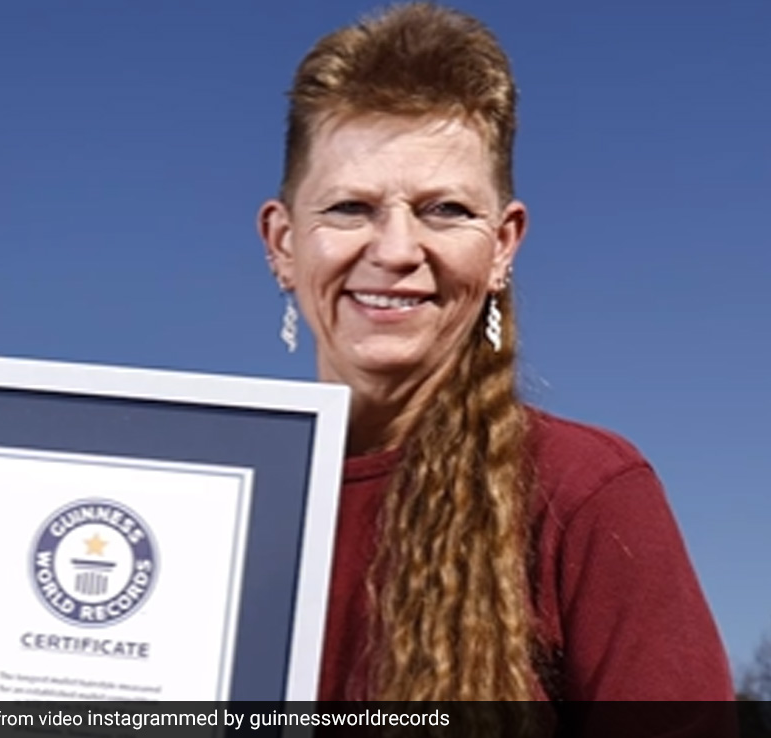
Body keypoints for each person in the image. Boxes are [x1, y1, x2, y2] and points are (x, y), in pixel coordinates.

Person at [255, 0, 735, 724]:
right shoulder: (209, 497)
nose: (394, 250)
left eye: (444, 209)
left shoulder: (587, 496)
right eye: (350, 208)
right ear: (284, 243)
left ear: (504, 244)